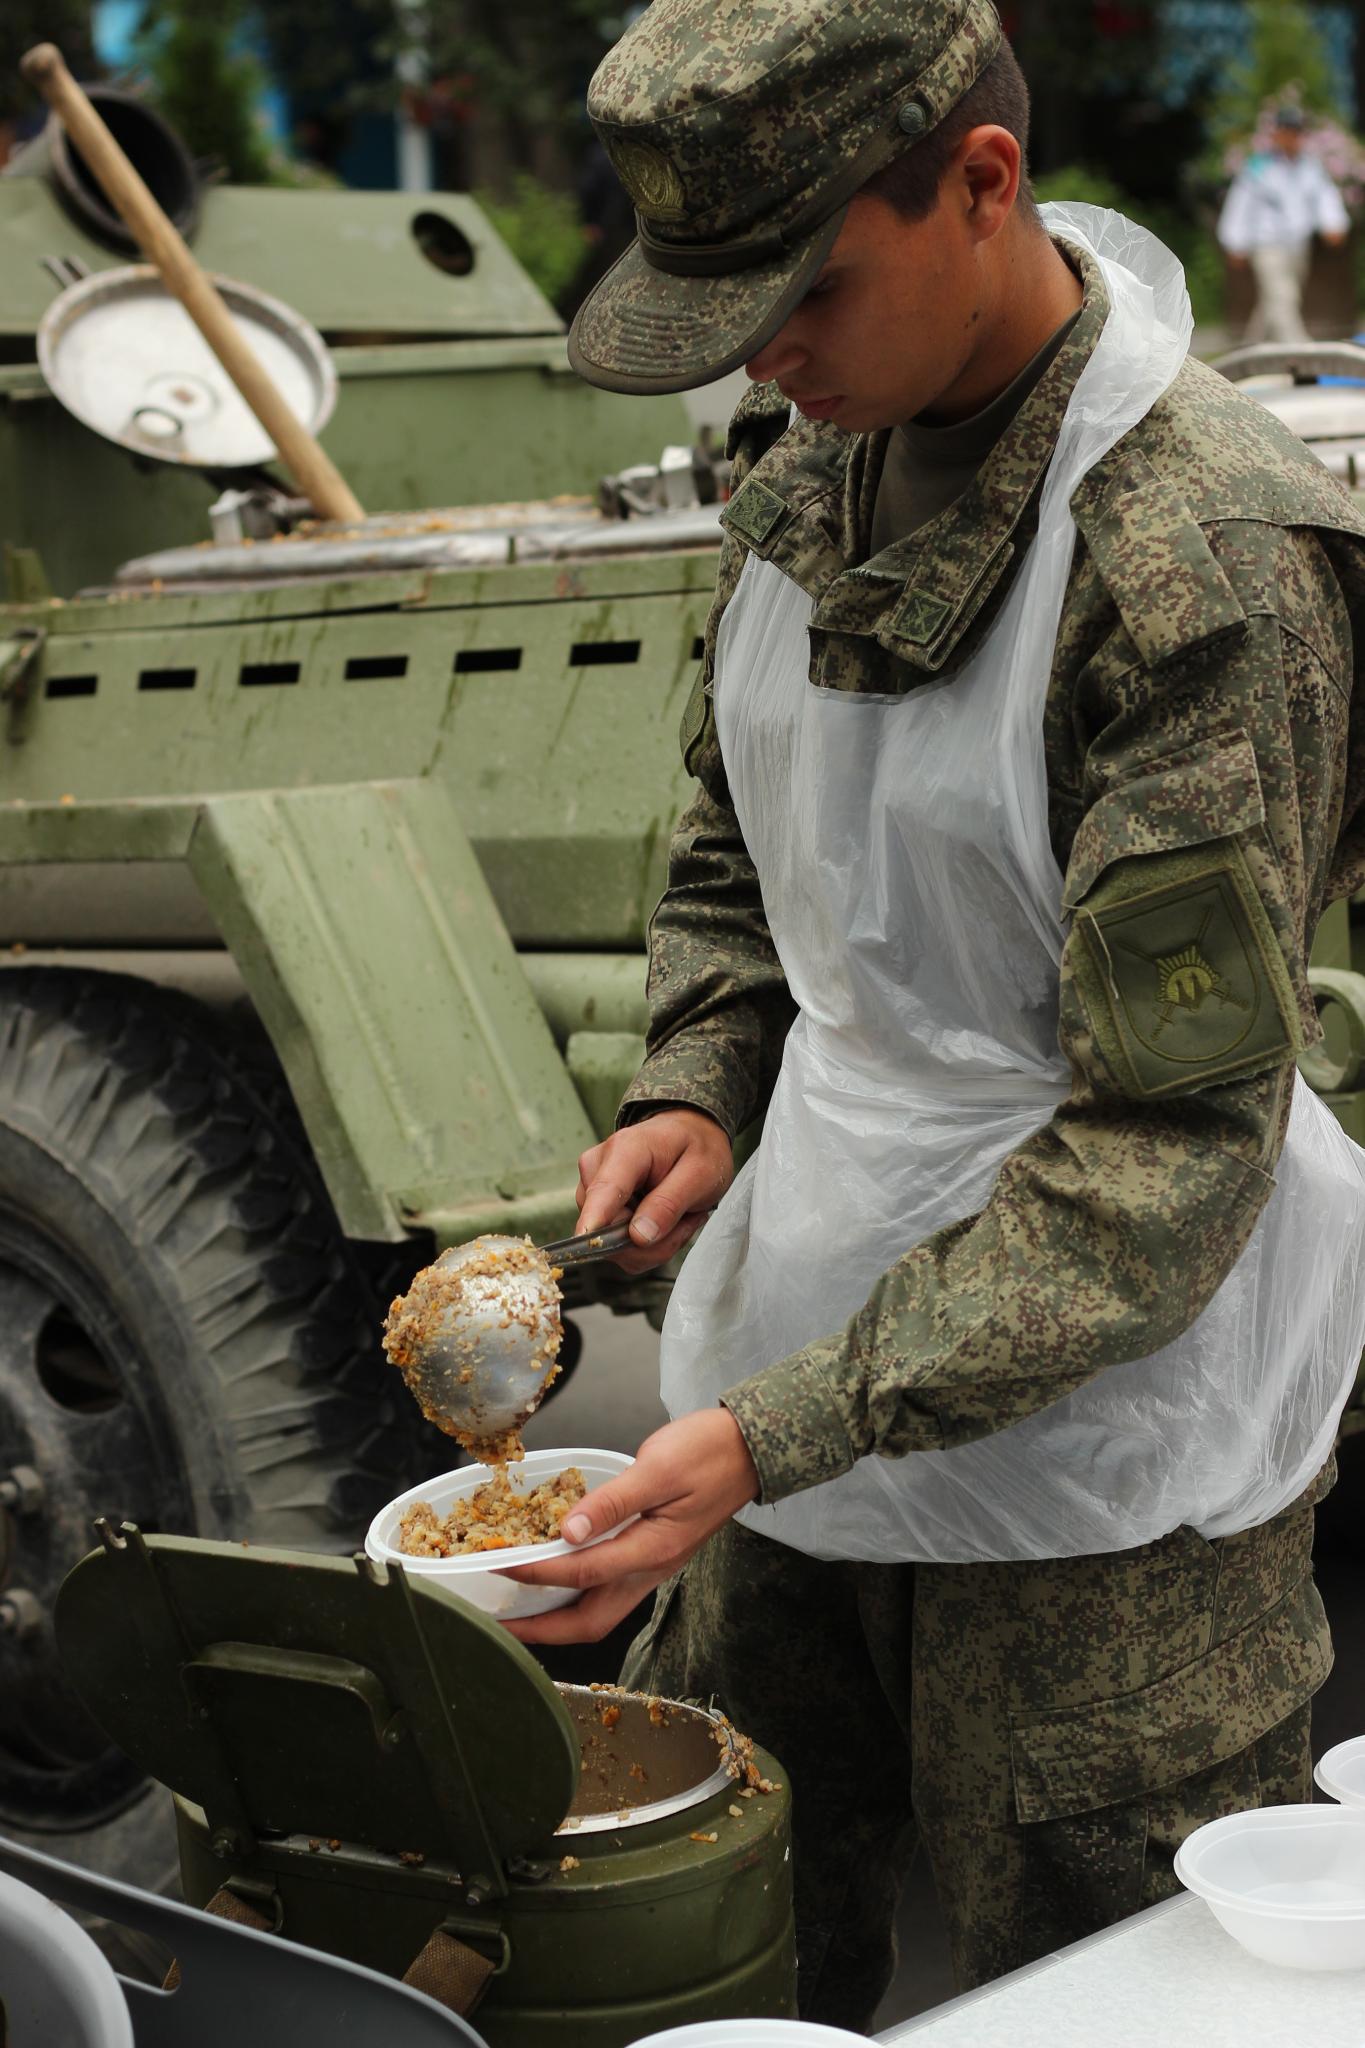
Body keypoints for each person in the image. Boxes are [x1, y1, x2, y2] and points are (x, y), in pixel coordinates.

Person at [508, 0, 1365, 2029]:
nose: (757, 356)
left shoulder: (1192, 569)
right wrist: (703, 1079)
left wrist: (765, 1430)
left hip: (1106, 1467)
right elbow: (741, 830)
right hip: (804, 1334)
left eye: (796, 289)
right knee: (738, 1907)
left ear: (979, 186)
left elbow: (1161, 1153)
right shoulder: (823, 439)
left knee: (1094, 1972)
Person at [1217, 104, 1350, 344]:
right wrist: (1235, 242)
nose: (1291, 136)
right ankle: (1303, 352)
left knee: (1275, 301)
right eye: (1286, 129)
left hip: (1298, 246)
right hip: (1267, 245)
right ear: (1276, 133)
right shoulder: (1257, 167)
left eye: (1296, 130)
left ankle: (1252, 348)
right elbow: (1240, 205)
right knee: (1283, 297)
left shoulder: (1311, 167)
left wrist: (1334, 224)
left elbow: (1324, 197)